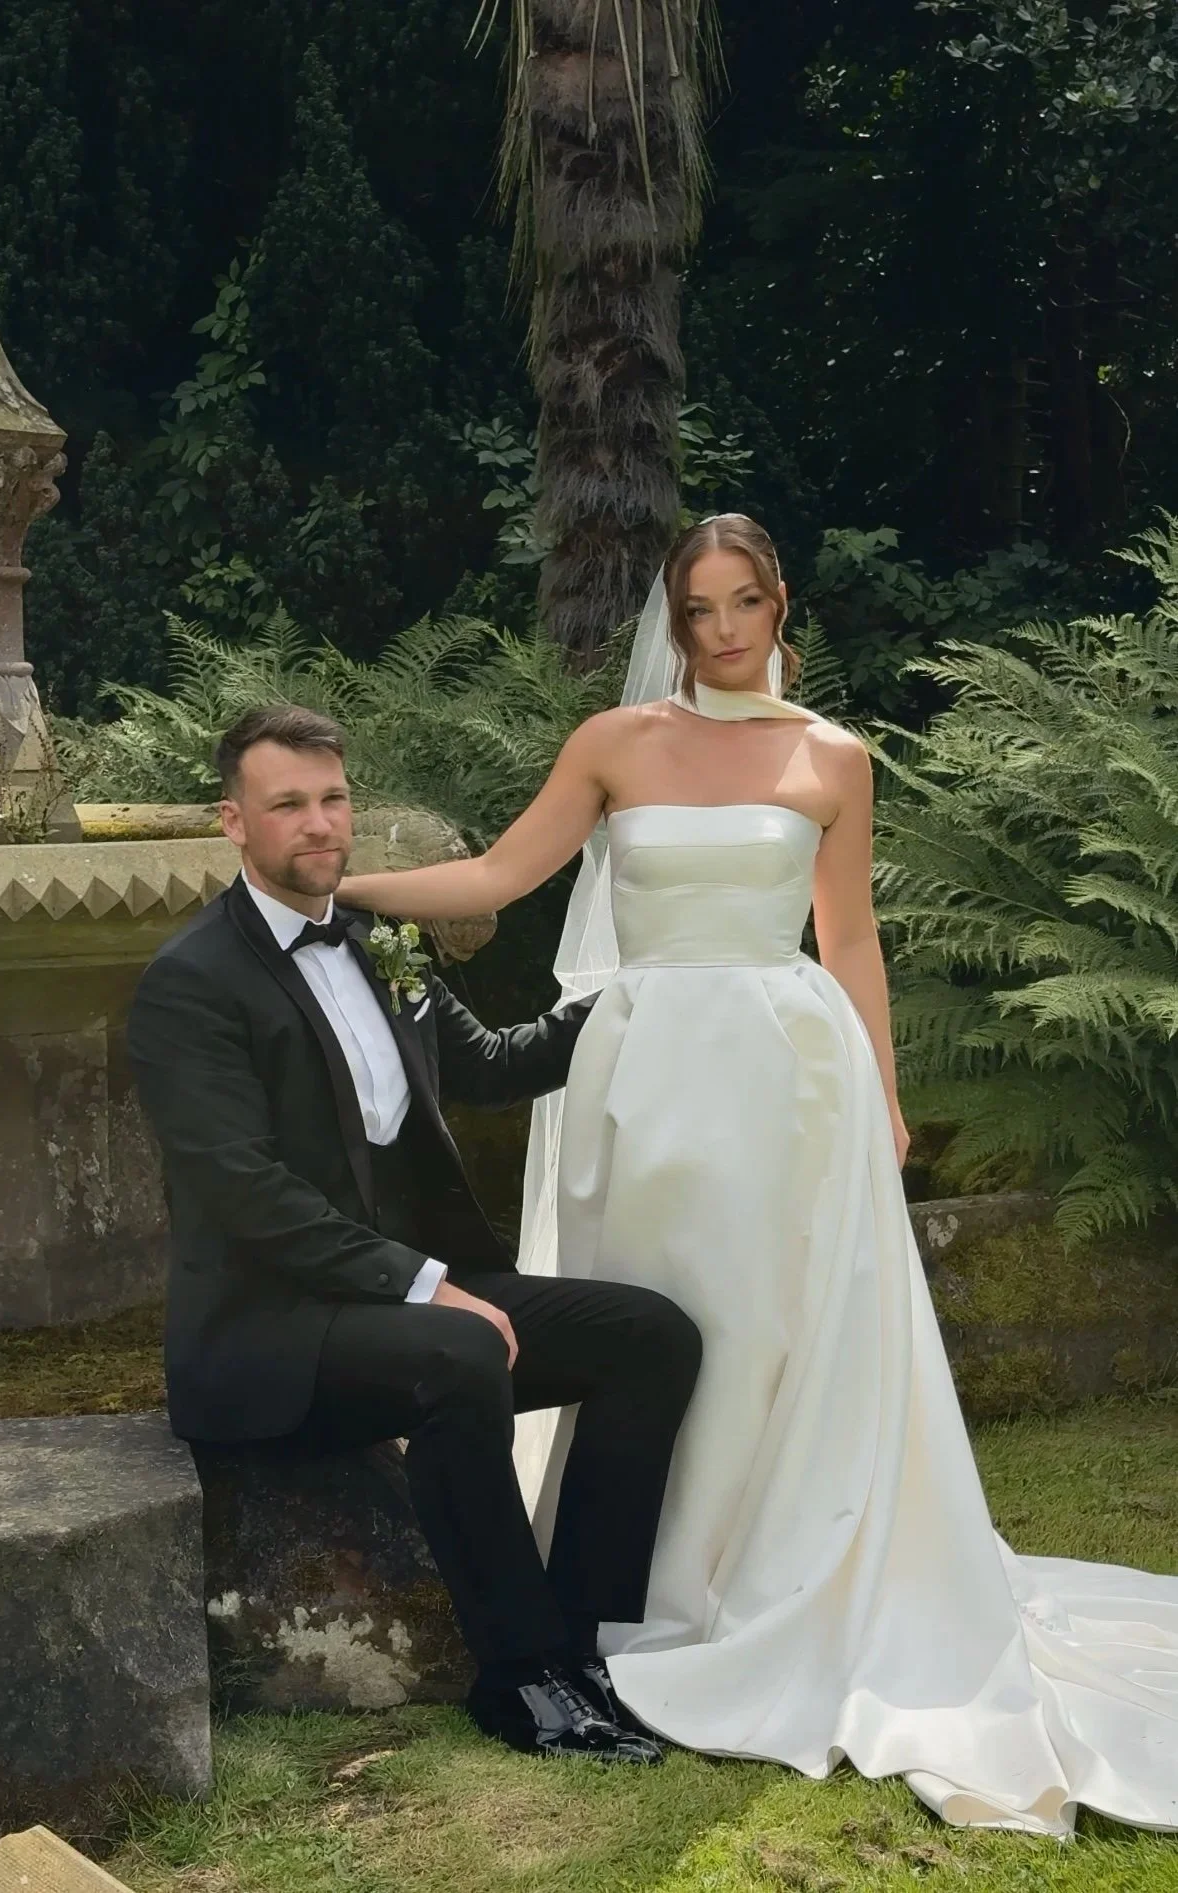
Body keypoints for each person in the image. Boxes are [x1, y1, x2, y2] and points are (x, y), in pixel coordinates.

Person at [335, 515, 1178, 1835]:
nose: (723, 630)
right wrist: (333, 881)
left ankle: (781, 1575)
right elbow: (502, 872)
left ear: (782, 603)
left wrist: (885, 1100)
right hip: (645, 1077)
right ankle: (644, 1583)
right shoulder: (612, 746)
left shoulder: (832, 758)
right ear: (671, 617)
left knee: (779, 1329)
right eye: (698, 606)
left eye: (744, 603)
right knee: (662, 1321)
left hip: (791, 1078)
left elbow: (848, 942)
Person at [127, 704, 703, 1766]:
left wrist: (655, 991)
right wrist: (424, 1282)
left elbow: (487, 1064)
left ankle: (582, 1639)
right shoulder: (190, 984)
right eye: (287, 805)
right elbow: (243, 1190)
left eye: (332, 799)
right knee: (461, 1348)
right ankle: (519, 1678)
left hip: (405, 1307)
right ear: (234, 823)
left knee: (653, 1336)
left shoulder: (377, 938)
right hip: (268, 1337)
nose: (318, 824)